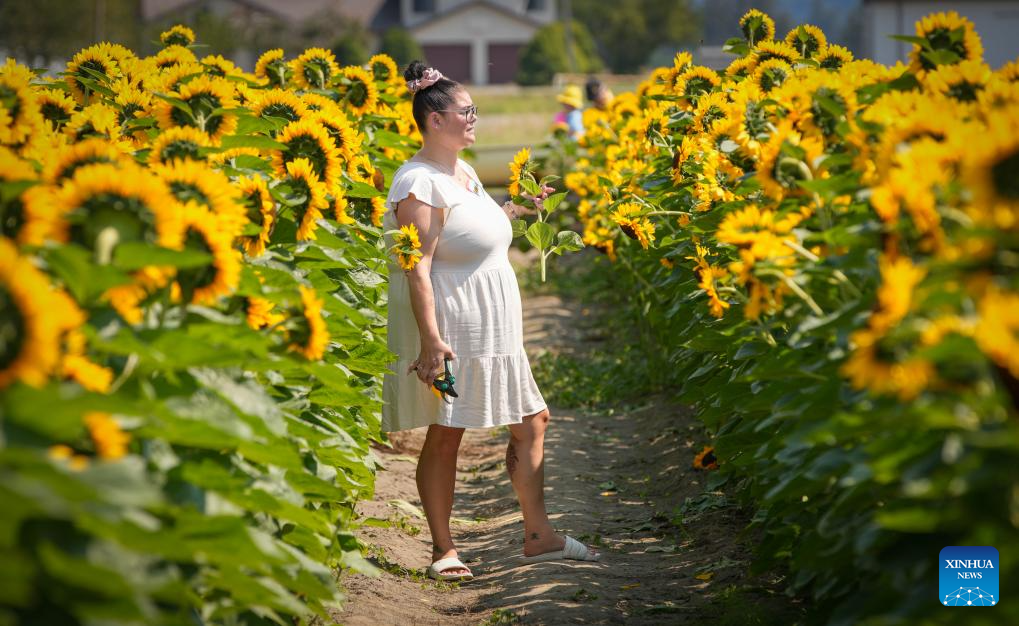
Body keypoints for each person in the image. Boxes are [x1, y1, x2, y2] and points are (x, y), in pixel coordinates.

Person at [380, 61, 601, 582]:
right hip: (455, 326)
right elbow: (419, 266)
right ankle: (443, 550)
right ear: (435, 119)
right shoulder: (416, 183)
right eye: (466, 111)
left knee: (532, 421)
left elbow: (473, 229)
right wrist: (431, 341)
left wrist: (515, 210)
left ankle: (538, 535)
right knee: (448, 435)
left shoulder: (463, 170)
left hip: (495, 328)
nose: (474, 119)